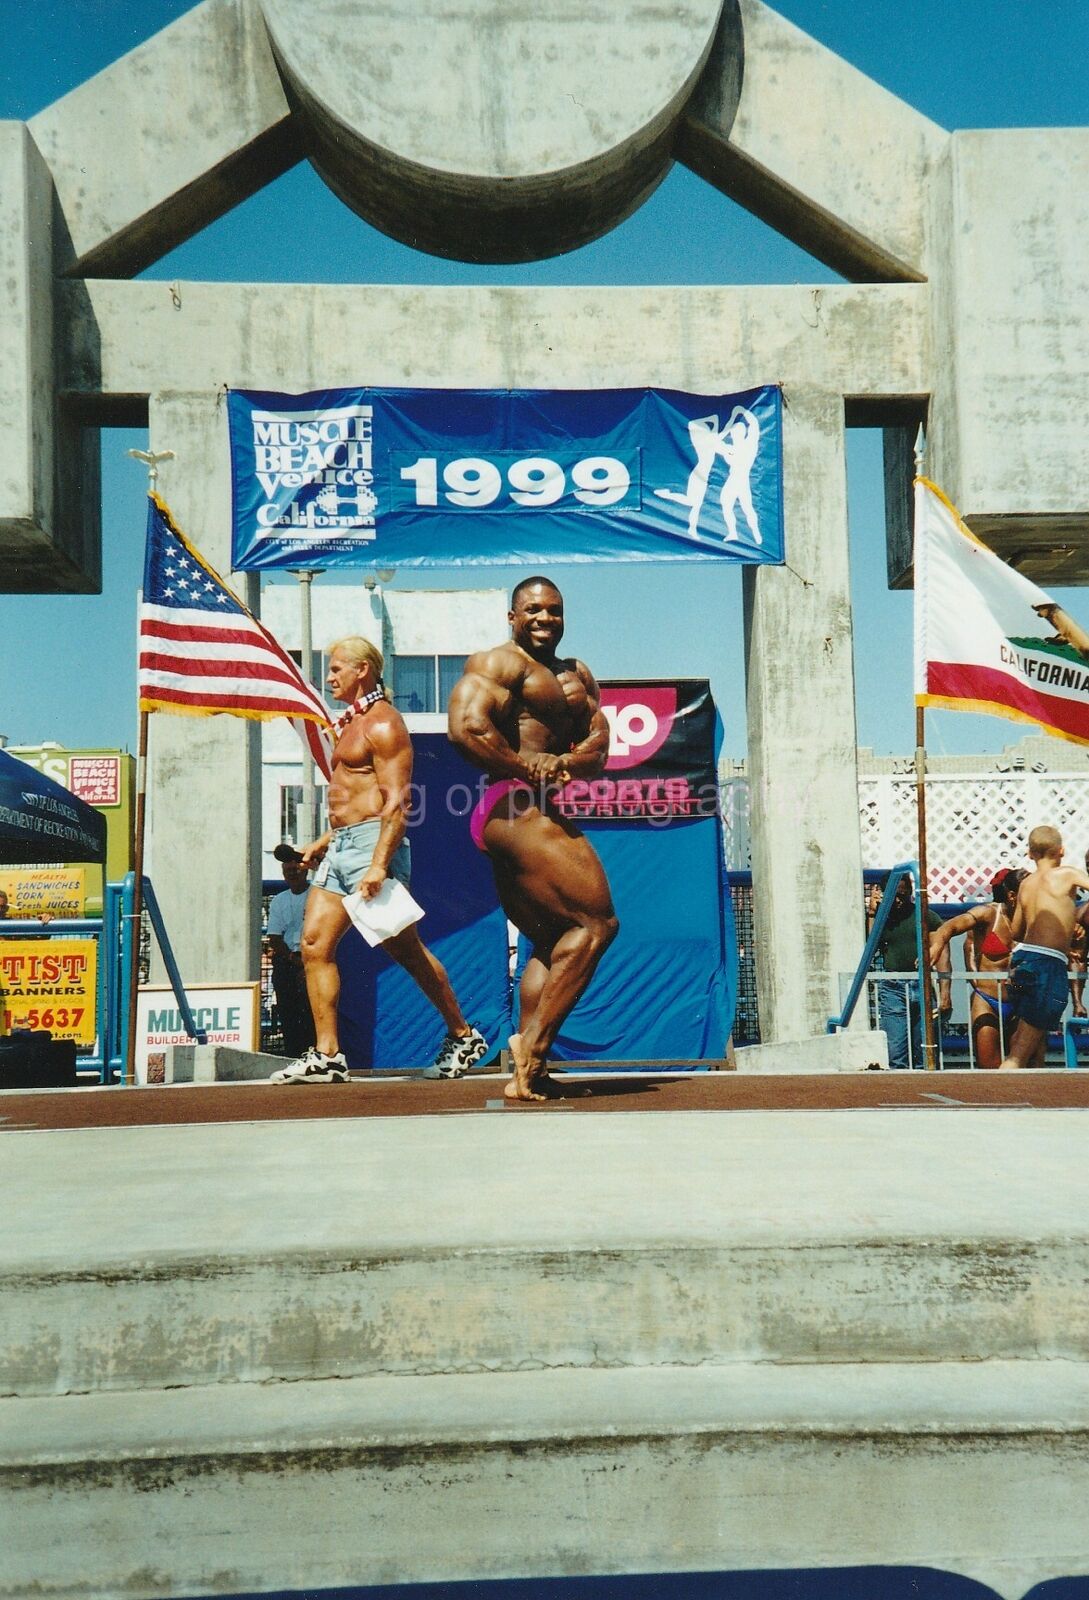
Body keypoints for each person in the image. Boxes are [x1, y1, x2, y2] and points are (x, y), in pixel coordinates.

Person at [271, 635, 487, 1084]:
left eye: (336, 669)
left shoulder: (385, 723)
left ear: (362, 671)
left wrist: (378, 865)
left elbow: (396, 803)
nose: (329, 677)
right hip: (344, 844)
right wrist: (325, 841)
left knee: (405, 950)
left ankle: (463, 1035)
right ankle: (328, 1054)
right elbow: (357, 797)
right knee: (313, 944)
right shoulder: (351, 722)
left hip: (374, 846)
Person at [447, 576, 619, 1101]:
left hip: (531, 804)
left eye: (555, 611)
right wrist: (526, 765)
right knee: (596, 924)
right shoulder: (498, 663)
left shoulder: (577, 674)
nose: (545, 619)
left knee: (553, 940)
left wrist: (562, 762)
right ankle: (534, 1053)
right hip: (509, 803)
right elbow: (465, 728)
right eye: (534, 610)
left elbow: (599, 747)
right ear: (513, 616)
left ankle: (530, 1074)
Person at [999, 825, 1089, 1070]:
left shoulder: (1026, 884)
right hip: (1047, 964)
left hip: (1021, 960)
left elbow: (1016, 931)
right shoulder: (1067, 875)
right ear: (1062, 851)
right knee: (1019, 1053)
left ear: (1030, 854)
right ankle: (1000, 1093)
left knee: (1022, 1037)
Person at [927, 868, 1026, 1069]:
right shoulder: (989, 913)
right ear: (1012, 896)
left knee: (1028, 1069)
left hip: (1024, 1001)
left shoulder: (1038, 920)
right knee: (989, 1066)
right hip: (988, 1000)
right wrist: (938, 943)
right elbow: (952, 926)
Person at [867, 873, 951, 1069]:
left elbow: (943, 954)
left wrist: (945, 992)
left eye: (903, 896)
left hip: (922, 985)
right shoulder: (882, 919)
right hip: (893, 987)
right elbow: (870, 949)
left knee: (925, 1051)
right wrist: (872, 914)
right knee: (896, 1052)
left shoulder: (925, 916)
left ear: (910, 893)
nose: (898, 901)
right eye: (894, 896)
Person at [265, 845, 316, 1058]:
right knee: (288, 1013)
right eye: (288, 867)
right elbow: (274, 938)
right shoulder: (278, 900)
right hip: (288, 962)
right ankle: (292, 1057)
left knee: (312, 1014)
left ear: (305, 869)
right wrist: (291, 959)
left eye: (296, 865)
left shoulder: (317, 894)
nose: (293, 870)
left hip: (313, 960)